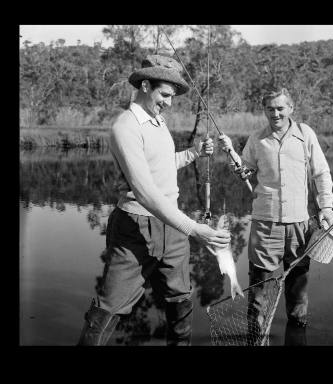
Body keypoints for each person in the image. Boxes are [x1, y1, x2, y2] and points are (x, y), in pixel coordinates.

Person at [77, 55, 230, 346]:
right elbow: (145, 192)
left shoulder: (157, 121)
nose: (169, 103)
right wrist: (195, 229)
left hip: (171, 226)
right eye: (165, 95)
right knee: (110, 307)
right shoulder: (126, 127)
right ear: (145, 85)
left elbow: (159, 163)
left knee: (179, 299)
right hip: (135, 228)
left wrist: (194, 153)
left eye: (172, 96)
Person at [219, 88, 333, 344]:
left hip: (299, 224)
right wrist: (235, 162)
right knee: (258, 288)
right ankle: (255, 336)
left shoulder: (306, 135)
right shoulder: (257, 139)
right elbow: (246, 171)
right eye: (270, 109)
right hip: (265, 223)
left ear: (291, 108)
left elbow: (321, 173)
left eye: (280, 108)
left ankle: (297, 330)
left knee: (298, 285)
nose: (275, 113)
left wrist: (326, 207)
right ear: (264, 111)